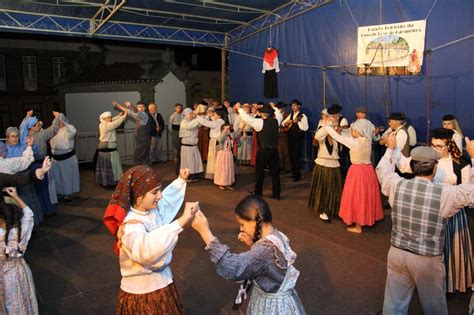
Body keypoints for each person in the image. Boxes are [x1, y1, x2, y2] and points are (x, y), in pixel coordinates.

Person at [377, 136, 474, 315]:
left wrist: (390, 149)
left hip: (397, 254)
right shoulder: (445, 194)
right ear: (435, 168)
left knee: (393, 306)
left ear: (412, 166)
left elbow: (383, 170)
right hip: (426, 261)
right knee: (434, 308)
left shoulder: (397, 185)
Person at [103, 165, 198, 314]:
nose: (160, 195)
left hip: (161, 284)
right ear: (139, 196)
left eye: (159, 190)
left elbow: (168, 201)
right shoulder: (131, 226)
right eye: (155, 192)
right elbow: (145, 252)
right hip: (143, 293)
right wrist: (181, 221)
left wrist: (180, 180)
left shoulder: (151, 210)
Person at [191, 195, 306, 314]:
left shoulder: (264, 250)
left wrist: (205, 232)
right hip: (283, 302)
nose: (241, 229)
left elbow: (233, 268)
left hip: (272, 309)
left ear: (254, 221)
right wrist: (252, 244)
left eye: (242, 224)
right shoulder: (277, 236)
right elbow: (267, 263)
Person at [395, 128, 473, 293]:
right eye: (433, 145)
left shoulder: (461, 164)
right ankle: (427, 282)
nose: (435, 149)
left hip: (453, 214)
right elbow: (403, 166)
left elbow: (469, 190)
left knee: (449, 249)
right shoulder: (427, 161)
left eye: (439, 146)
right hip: (429, 213)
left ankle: (449, 283)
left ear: (449, 145)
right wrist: (393, 149)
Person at [324, 119, 383, 233]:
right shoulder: (367, 140)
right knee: (366, 196)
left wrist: (327, 127)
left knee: (357, 197)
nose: (352, 132)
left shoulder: (354, 142)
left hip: (357, 171)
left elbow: (338, 137)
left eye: (353, 130)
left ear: (358, 131)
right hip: (368, 170)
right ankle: (366, 218)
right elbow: (347, 134)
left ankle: (358, 226)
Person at [0, 187, 39, 314]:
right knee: (23, 302)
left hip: (4, 278)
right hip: (20, 272)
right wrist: (16, 197)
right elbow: (29, 214)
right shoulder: (21, 230)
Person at [236, 102, 283, 200]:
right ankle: (276, 194)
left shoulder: (260, 122)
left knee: (260, 172)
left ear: (263, 114)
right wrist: (274, 107)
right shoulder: (276, 121)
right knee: (275, 173)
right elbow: (279, 115)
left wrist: (239, 109)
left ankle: (258, 192)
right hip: (274, 151)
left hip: (263, 151)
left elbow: (247, 118)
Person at [309, 105, 342, 223]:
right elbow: (317, 136)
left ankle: (333, 209)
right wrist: (328, 125)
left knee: (334, 188)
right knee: (324, 188)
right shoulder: (324, 127)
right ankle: (324, 211)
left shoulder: (337, 128)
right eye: (336, 115)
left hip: (334, 162)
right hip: (324, 162)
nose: (338, 117)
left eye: (338, 115)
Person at [50, 114, 80, 202]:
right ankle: (60, 193)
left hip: (67, 159)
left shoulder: (68, 131)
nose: (59, 124)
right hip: (55, 160)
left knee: (67, 178)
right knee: (57, 177)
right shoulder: (55, 131)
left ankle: (68, 194)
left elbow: (73, 131)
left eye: (61, 122)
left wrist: (62, 119)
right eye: (58, 122)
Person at [96, 107, 128, 187]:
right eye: (108, 117)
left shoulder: (102, 123)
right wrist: (124, 115)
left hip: (107, 148)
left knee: (107, 166)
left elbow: (113, 120)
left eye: (110, 117)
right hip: (109, 150)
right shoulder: (106, 125)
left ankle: (105, 181)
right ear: (104, 118)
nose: (110, 118)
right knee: (112, 165)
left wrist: (118, 116)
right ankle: (111, 182)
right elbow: (115, 123)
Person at [114, 100, 151, 165]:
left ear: (145, 108)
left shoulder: (144, 115)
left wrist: (131, 106)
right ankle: (146, 171)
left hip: (144, 140)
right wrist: (117, 105)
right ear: (137, 107)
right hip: (141, 139)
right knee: (144, 157)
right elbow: (128, 111)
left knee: (137, 158)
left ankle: (139, 172)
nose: (141, 108)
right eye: (139, 107)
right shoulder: (137, 115)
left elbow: (136, 112)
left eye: (143, 107)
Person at [281, 99, 309, 182]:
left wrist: (298, 122)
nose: (293, 107)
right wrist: (286, 123)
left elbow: (305, 128)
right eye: (292, 106)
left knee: (296, 156)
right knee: (291, 156)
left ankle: (297, 175)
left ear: (299, 106)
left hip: (297, 139)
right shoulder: (291, 115)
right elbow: (283, 123)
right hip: (290, 138)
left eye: (295, 105)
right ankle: (294, 173)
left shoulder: (303, 116)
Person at [196, 107, 225, 180]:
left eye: (214, 114)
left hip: (215, 141)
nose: (213, 116)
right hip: (216, 141)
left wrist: (197, 116)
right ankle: (217, 174)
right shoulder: (221, 121)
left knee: (214, 158)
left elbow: (207, 123)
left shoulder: (218, 122)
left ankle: (216, 174)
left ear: (218, 115)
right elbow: (210, 120)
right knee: (215, 158)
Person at [179, 108, 203, 182]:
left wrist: (200, 116)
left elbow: (200, 123)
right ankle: (188, 176)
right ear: (186, 114)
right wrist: (196, 118)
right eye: (190, 113)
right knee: (188, 162)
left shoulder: (193, 121)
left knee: (195, 161)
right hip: (187, 147)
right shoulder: (183, 122)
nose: (192, 115)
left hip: (194, 146)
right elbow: (189, 126)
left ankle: (195, 175)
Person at [214, 124, 236, 190]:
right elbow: (220, 140)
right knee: (223, 169)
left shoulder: (229, 137)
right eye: (226, 129)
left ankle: (227, 183)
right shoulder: (221, 136)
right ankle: (221, 183)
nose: (228, 130)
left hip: (228, 154)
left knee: (228, 169)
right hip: (223, 155)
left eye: (229, 129)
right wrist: (224, 132)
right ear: (222, 130)